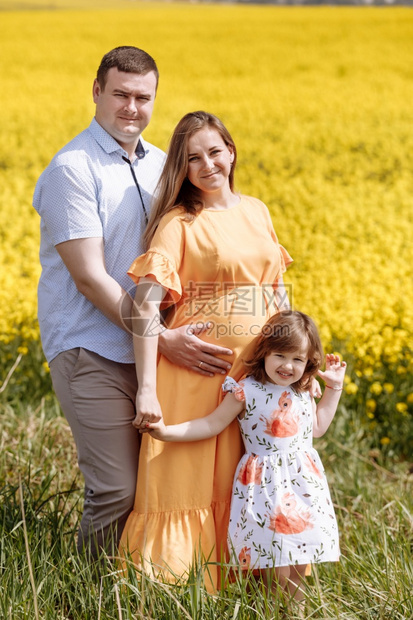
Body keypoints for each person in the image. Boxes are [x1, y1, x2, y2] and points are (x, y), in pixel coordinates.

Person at [32, 48, 232, 559]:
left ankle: (138, 586)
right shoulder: (71, 170)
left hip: (154, 354)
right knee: (117, 488)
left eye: (143, 97)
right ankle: (83, 592)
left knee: (156, 486)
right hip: (91, 348)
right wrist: (162, 335)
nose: (131, 107)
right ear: (96, 91)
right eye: (120, 94)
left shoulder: (162, 165)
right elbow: (90, 278)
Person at [119, 111, 293, 590]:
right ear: (182, 168)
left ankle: (245, 584)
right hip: (194, 376)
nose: (207, 164)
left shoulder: (256, 210)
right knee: (187, 483)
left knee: (249, 480)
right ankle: (173, 589)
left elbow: (276, 294)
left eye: (214, 151)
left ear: (231, 151)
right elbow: (142, 308)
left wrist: (297, 365)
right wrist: (147, 391)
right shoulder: (178, 222)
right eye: (192, 158)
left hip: (254, 380)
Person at [145, 310, 345, 610]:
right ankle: (272, 611)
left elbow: (317, 428)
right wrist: (165, 433)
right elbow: (212, 424)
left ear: (308, 363)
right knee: (275, 561)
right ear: (264, 352)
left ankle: (296, 613)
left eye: (297, 360)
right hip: (266, 489)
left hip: (303, 487)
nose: (288, 366)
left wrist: (334, 388)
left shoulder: (303, 390)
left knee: (300, 563)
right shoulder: (246, 390)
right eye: (280, 355)